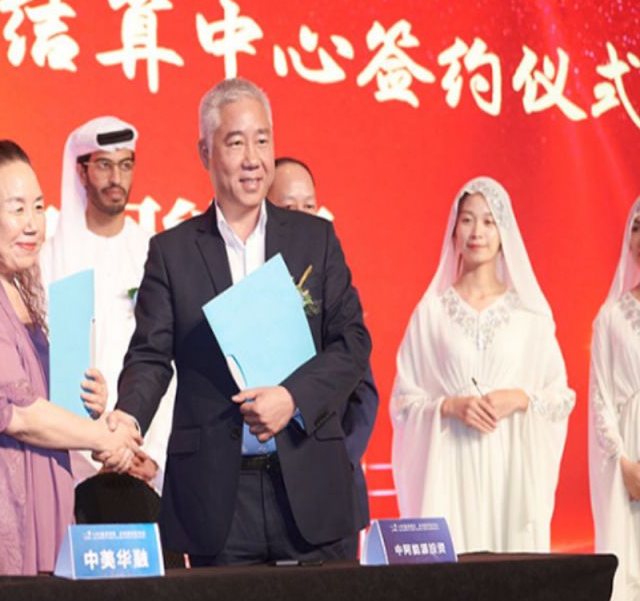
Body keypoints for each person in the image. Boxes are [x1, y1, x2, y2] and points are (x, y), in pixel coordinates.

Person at [109, 78, 371, 565]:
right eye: (235, 143)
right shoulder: (173, 252)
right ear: (205, 152)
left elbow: (352, 343)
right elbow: (150, 356)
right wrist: (127, 417)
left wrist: (293, 398)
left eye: (262, 140)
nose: (253, 158)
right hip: (218, 502)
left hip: (310, 487)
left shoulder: (315, 239)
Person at [0, 140, 141, 579]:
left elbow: (36, 398)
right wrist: (101, 437)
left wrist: (88, 402)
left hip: (41, 499)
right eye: (17, 208)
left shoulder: (13, 290)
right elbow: (17, 412)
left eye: (38, 207)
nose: (33, 224)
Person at [390, 177, 574, 552]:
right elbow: (403, 403)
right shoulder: (431, 313)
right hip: (449, 469)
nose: (477, 232)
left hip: (510, 472)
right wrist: (448, 407)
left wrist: (520, 398)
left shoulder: (529, 316)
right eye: (468, 220)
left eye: (489, 221)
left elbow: (560, 398)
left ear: (504, 232)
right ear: (454, 230)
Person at [43, 116, 173, 488]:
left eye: (125, 165)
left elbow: (168, 363)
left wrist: (147, 452)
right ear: (81, 171)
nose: (117, 178)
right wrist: (96, 445)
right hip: (69, 458)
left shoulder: (156, 253)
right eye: (104, 165)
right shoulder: (49, 258)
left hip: (144, 454)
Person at [268, 154, 379, 540]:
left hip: (333, 488)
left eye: (309, 207)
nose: (303, 219)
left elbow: (363, 394)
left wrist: (336, 459)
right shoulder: (244, 288)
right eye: (289, 208)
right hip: (259, 494)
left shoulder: (337, 287)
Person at [589, 196, 640, 601]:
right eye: (638, 227)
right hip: (630, 484)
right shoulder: (610, 318)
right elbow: (601, 400)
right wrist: (623, 463)